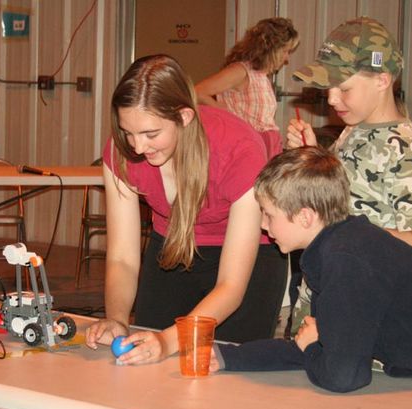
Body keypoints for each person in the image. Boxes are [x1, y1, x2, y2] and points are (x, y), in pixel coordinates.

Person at [85, 54, 287, 364]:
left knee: (225, 371)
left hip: (247, 259)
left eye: (151, 134)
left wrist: (167, 341)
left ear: (185, 117)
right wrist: (117, 318)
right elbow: (123, 257)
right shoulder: (122, 151)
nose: (138, 147)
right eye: (129, 132)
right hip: (174, 248)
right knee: (147, 359)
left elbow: (230, 287)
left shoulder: (239, 148)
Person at [211, 146, 412, 393]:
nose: (263, 226)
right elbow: (317, 344)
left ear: (305, 217)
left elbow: (344, 376)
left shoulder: (345, 261)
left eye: (269, 214)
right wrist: (226, 357)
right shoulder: (338, 245)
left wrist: (311, 347)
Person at [286, 17, 412, 262]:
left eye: (344, 89)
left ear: (381, 80)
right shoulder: (355, 126)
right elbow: (348, 189)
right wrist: (314, 154)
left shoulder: (405, 151)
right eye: (328, 89)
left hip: (364, 291)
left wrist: (341, 227)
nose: (332, 99)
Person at [195, 17, 299, 160]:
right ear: (271, 48)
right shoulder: (241, 71)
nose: (286, 58)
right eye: (285, 51)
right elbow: (198, 92)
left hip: (265, 146)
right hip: (247, 147)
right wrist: (225, 113)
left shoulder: (261, 75)